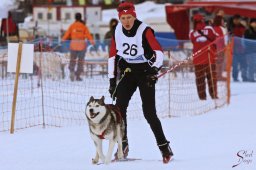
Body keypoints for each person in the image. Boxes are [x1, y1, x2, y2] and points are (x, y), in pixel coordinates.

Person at [107, 2, 173, 163]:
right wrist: (112, 81)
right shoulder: (117, 31)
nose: (126, 21)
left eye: (129, 17)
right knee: (119, 109)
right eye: (123, 18)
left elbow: (158, 52)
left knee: (149, 113)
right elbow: (112, 56)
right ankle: (123, 146)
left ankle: (165, 148)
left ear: (134, 16)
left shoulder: (144, 30)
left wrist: (155, 70)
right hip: (128, 73)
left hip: (145, 73)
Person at [189, 14, 218, 100]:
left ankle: (202, 97)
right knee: (212, 78)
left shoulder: (192, 32)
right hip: (210, 57)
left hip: (198, 59)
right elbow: (215, 37)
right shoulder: (209, 29)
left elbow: (193, 41)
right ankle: (214, 95)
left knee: (200, 80)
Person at [62, 12, 94, 81]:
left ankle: (72, 72)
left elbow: (66, 34)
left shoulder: (72, 26)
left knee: (72, 60)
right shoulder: (84, 26)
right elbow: (89, 35)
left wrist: (62, 40)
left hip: (73, 46)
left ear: (75, 18)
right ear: (81, 17)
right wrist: (92, 42)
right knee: (80, 62)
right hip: (82, 46)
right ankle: (78, 75)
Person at [228, 14, 247, 82]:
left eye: (238, 19)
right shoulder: (230, 28)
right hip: (233, 50)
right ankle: (235, 77)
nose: (236, 21)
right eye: (235, 19)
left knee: (244, 64)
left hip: (242, 49)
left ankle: (244, 77)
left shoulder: (242, 27)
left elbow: (244, 35)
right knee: (235, 65)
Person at [212, 15, 227, 81]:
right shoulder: (222, 28)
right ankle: (219, 75)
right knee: (220, 62)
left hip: (214, 48)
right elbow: (225, 38)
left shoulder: (213, 28)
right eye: (222, 20)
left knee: (215, 62)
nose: (223, 21)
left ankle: (216, 75)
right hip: (221, 48)